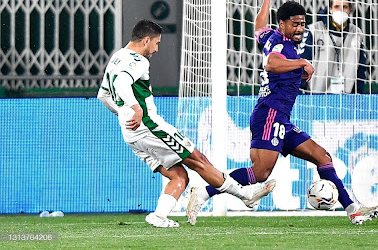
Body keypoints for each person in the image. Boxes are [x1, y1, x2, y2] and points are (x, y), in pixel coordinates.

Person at [186, 0, 378, 225]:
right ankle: (203, 193)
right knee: (259, 173)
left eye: (303, 24)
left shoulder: (271, 36)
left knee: (323, 156)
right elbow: (271, 63)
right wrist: (301, 63)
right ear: (282, 24)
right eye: (295, 24)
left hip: (281, 118)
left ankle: (352, 210)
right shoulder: (281, 44)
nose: (300, 28)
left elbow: (258, 28)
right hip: (269, 115)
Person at [97, 19, 275, 228]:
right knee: (198, 159)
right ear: (146, 40)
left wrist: (123, 113)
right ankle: (245, 194)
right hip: (149, 127)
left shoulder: (117, 57)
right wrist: (135, 109)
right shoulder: (138, 60)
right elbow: (121, 83)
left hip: (131, 134)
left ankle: (159, 216)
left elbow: (103, 95)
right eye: (156, 43)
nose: (156, 49)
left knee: (179, 175)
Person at [299, 0, 367, 93]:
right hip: (316, 95)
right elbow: (303, 63)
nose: (341, 10)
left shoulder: (357, 33)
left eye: (345, 7)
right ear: (330, 9)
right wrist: (300, 92)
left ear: (350, 10)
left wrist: (358, 93)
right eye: (337, 7)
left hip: (346, 96)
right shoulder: (314, 30)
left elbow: (361, 68)